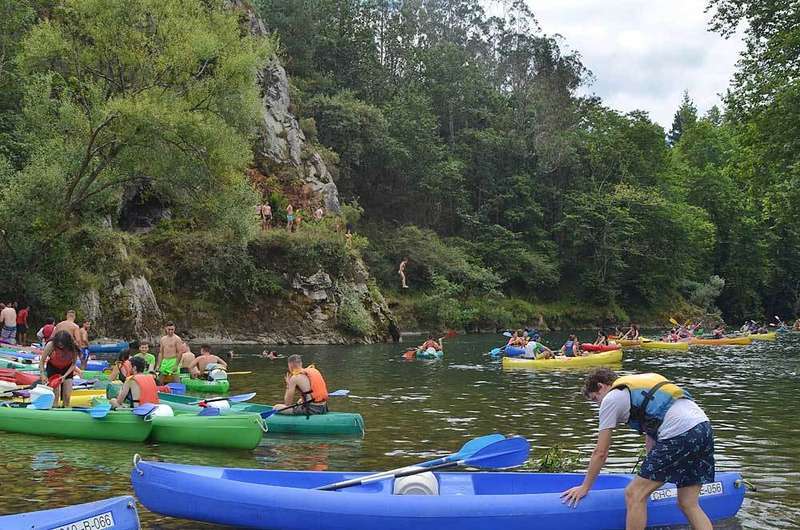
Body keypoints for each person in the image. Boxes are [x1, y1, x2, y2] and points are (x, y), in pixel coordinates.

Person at [562, 368, 714, 530]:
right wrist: (649, 472)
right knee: (688, 502)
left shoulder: (611, 398)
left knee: (634, 494)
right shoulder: (640, 387)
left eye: (595, 399)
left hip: (680, 433)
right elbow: (652, 437)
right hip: (703, 429)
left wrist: (585, 487)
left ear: (601, 386)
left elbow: (600, 452)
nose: (598, 404)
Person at [38, 331, 80, 407]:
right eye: (58, 344)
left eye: (62, 344)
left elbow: (73, 364)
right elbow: (42, 361)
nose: (60, 345)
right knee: (56, 394)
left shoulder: (73, 347)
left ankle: (65, 408)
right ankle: (54, 407)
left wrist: (65, 376)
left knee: (67, 395)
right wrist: (43, 375)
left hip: (67, 368)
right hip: (53, 368)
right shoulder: (51, 345)